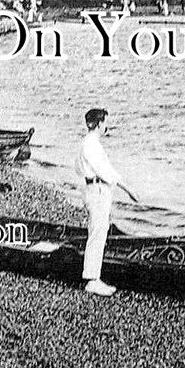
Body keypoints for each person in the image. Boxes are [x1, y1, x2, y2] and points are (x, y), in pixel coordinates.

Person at [78, 108, 139, 297]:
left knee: (98, 231)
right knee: (97, 233)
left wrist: (126, 188)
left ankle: (94, 277)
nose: (107, 126)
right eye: (105, 122)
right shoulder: (91, 145)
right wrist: (127, 189)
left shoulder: (89, 143)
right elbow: (106, 172)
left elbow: (91, 169)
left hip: (94, 189)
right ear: (98, 124)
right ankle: (92, 280)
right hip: (97, 190)